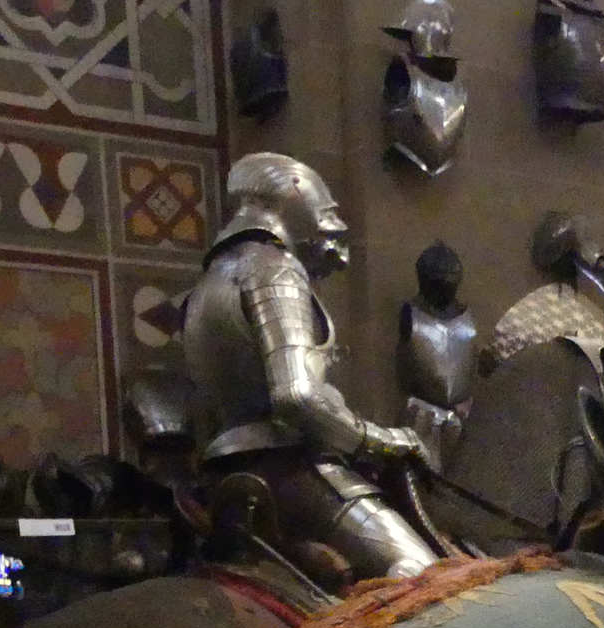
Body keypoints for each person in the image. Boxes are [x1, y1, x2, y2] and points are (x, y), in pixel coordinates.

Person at [183, 153, 437, 583]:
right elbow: (297, 396)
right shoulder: (275, 270)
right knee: (425, 578)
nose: (334, 224)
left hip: (225, 477)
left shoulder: (208, 282)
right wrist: (384, 441)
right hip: (290, 471)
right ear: (293, 200)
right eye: (328, 211)